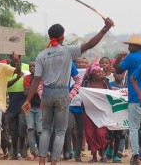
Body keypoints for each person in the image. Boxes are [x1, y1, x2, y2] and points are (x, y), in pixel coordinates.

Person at [21, 17, 114, 165]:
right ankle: (54, 162)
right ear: (63, 36)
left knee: (46, 129)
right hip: (62, 93)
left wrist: (28, 100)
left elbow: (37, 80)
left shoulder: (41, 55)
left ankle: (42, 161)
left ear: (50, 37)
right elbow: (90, 44)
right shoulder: (67, 51)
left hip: (46, 94)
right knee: (60, 131)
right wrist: (105, 29)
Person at [113, 34, 141, 165]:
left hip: (135, 97)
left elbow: (118, 70)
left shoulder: (131, 57)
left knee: (134, 128)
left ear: (137, 46)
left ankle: (135, 156)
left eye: (130, 45)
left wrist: (119, 58)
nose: (129, 47)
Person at [82, 63, 111, 163]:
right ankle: (94, 156)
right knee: (90, 134)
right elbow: (82, 94)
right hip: (89, 112)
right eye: (97, 72)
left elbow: (110, 95)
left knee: (101, 133)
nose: (100, 73)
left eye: (101, 71)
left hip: (102, 112)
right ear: (92, 74)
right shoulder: (86, 82)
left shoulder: (106, 83)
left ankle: (102, 153)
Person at [6, 54, 28, 160]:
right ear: (10, 57)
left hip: (23, 97)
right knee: (12, 128)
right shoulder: (6, 68)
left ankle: (22, 146)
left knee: (22, 125)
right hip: (10, 98)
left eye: (18, 56)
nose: (16, 58)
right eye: (13, 56)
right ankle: (14, 151)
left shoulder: (28, 67)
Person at [24, 61, 43, 161]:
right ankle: (32, 152)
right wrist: (38, 89)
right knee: (30, 129)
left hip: (40, 106)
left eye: (34, 66)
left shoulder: (42, 77)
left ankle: (42, 151)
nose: (32, 67)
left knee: (40, 130)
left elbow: (30, 91)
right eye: (30, 66)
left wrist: (32, 89)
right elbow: (26, 92)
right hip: (29, 107)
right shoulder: (27, 78)